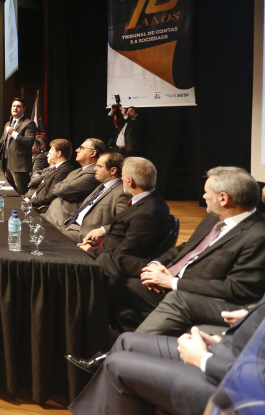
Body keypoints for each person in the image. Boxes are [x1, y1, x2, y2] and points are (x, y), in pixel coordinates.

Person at [106, 167, 265, 336]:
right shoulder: (213, 218)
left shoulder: (257, 236)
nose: (203, 196)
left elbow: (237, 289)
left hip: (187, 292)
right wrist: (157, 265)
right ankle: (98, 335)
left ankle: (119, 348)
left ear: (223, 198)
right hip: (166, 275)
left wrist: (172, 282)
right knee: (107, 264)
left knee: (111, 283)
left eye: (206, 192)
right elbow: (185, 248)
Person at [67, 296, 265, 415]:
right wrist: (244, 324)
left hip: (236, 393)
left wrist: (203, 359)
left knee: (116, 364)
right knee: (127, 341)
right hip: (231, 355)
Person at [75, 156, 171, 266]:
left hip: (110, 264)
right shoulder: (149, 199)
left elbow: (124, 253)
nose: (121, 179)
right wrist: (95, 244)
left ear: (129, 181)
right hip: (105, 249)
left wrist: (90, 250)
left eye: (122, 176)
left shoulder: (147, 213)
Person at [53, 152, 130, 242]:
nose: (94, 169)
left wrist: (103, 230)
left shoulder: (121, 192)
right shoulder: (102, 186)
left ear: (113, 170)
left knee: (46, 236)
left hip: (85, 235)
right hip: (70, 226)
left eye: (99, 166)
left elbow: (123, 224)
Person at [41, 138, 105, 230]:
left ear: (93, 153)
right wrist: (64, 191)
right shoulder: (75, 171)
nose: (76, 150)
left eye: (81, 148)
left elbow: (63, 190)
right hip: (54, 212)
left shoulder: (94, 173)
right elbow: (56, 189)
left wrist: (64, 190)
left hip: (65, 218)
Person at [0, 98, 36, 194]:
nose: (15, 108)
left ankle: (23, 209)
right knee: (10, 193)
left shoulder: (29, 123)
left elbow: (29, 141)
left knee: (21, 193)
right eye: (13, 106)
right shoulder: (8, 124)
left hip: (20, 166)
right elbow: (4, 138)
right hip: (7, 163)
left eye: (18, 106)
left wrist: (14, 133)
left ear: (24, 109)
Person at [23, 138, 78, 210]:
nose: (49, 152)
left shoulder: (64, 170)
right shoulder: (57, 167)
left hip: (39, 207)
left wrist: (31, 201)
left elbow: (52, 195)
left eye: (51, 150)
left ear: (59, 153)